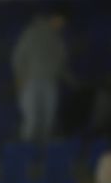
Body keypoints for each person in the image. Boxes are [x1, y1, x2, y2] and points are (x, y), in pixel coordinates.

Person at [11, 9, 68, 143]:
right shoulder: (32, 32)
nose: (61, 25)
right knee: (31, 119)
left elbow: (61, 63)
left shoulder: (58, 39)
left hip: (50, 82)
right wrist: (20, 79)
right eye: (60, 21)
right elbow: (18, 57)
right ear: (54, 17)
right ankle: (26, 151)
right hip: (30, 82)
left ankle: (44, 152)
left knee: (48, 119)